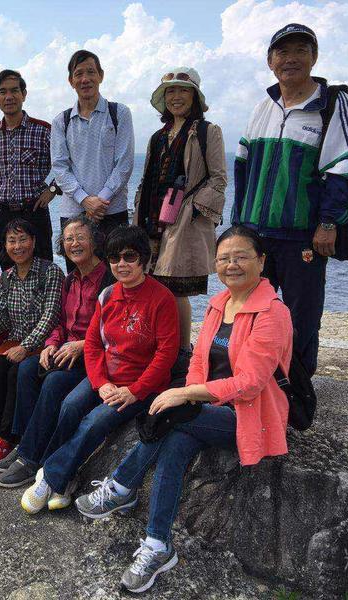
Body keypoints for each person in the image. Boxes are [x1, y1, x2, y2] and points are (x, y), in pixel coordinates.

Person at [74, 225, 292, 594]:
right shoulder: (219, 304)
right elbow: (198, 360)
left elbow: (250, 383)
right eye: (223, 258)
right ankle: (158, 545)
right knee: (173, 438)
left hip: (248, 415)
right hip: (206, 408)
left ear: (261, 261)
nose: (231, 265)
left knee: (170, 416)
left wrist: (186, 395)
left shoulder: (272, 313)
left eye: (241, 257)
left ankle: (122, 485)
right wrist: (187, 393)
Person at [233, 23, 348, 376]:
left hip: (302, 237)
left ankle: (296, 392)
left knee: (301, 317)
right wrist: (238, 228)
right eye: (282, 51)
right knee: (250, 312)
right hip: (256, 235)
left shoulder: (333, 105)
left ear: (314, 57)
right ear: (270, 61)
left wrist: (328, 222)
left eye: (300, 50)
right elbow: (243, 169)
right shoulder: (263, 107)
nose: (290, 58)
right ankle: (251, 383)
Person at [20, 225, 180, 514]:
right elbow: (93, 345)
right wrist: (100, 383)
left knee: (94, 422)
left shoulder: (162, 299)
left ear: (144, 259)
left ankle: (51, 477)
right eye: (114, 258)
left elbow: (166, 354)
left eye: (129, 256)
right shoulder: (108, 295)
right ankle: (64, 476)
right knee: (70, 405)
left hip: (139, 385)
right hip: (107, 376)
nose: (121, 264)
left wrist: (135, 391)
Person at [0, 216, 115, 488]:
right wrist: (50, 344)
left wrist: (81, 345)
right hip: (65, 350)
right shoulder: (70, 280)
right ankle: (27, 442)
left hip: (92, 355)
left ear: (94, 241)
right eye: (69, 239)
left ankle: (30, 458)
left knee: (54, 382)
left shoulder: (108, 279)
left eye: (80, 237)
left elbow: (113, 329)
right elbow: (60, 322)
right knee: (26, 369)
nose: (74, 243)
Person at [134, 68, 227, 351]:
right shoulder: (158, 136)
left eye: (183, 90)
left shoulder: (207, 131)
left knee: (174, 289)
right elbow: (148, 178)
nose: (176, 97)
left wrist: (194, 209)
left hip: (183, 219)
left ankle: (182, 350)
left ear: (194, 96)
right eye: (170, 91)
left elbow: (219, 179)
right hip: (153, 218)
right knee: (152, 286)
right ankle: (161, 347)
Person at [0, 219, 64, 470]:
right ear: (5, 245)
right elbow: (2, 325)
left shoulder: (50, 272)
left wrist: (26, 346)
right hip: (15, 342)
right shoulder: (7, 277)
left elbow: (51, 316)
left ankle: (7, 438)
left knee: (15, 373)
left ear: (34, 241)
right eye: (12, 241)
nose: (17, 246)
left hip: (44, 343)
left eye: (22, 239)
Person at [50, 50, 134, 270]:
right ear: (71, 81)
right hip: (73, 214)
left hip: (112, 211)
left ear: (101, 75)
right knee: (78, 278)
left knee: (115, 276)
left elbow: (124, 164)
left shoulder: (119, 113)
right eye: (78, 74)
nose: (85, 79)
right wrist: (85, 200)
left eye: (91, 72)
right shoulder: (61, 121)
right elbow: (60, 167)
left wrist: (100, 201)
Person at [0, 69, 58, 269]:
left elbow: (66, 162)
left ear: (24, 94)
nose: (9, 97)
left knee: (44, 268)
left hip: (34, 210)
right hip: (3, 213)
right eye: (3, 92)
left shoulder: (43, 130)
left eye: (14, 90)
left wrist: (53, 189)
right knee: (8, 270)